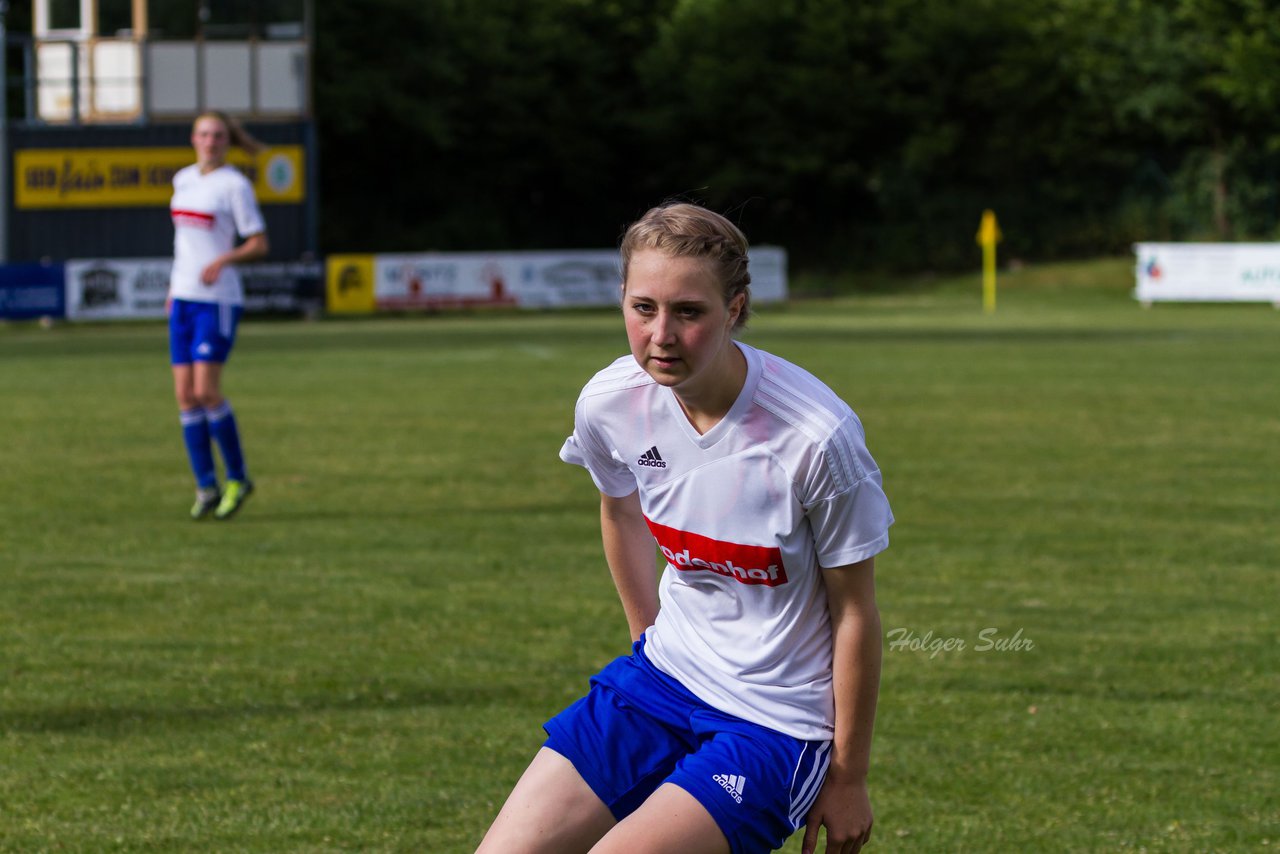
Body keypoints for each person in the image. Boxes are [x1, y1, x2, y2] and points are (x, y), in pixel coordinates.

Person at [477, 202, 893, 854]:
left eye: (688, 312)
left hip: (774, 722)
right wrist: (647, 639)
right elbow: (619, 509)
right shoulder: (610, 402)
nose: (661, 334)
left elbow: (855, 612)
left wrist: (850, 776)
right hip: (662, 681)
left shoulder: (816, 438)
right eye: (643, 308)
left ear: (734, 309)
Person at [168, 110, 269, 520]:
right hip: (184, 299)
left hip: (218, 300)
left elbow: (258, 243)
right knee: (185, 396)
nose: (210, 141)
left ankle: (238, 477)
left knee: (208, 392)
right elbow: (183, 244)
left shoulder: (235, 186)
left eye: (218, 135)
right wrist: (174, 289)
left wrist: (225, 259)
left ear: (228, 141)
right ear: (193, 138)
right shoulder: (183, 180)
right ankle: (206, 486)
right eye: (204, 134)